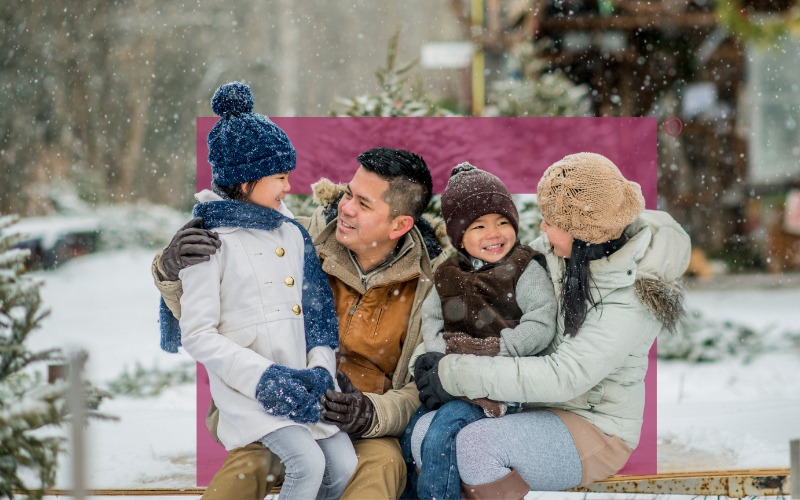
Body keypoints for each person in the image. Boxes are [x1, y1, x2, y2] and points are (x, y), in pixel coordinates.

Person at [153, 144, 451, 499]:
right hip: (276, 405)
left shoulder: (431, 286)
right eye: (348, 194)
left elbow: (421, 386)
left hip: (362, 423)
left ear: (399, 224)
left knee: (381, 467)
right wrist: (171, 271)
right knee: (252, 465)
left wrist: (371, 413)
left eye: (364, 204)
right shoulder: (293, 237)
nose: (346, 207)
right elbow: (213, 316)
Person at [413, 152, 691, 500]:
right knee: (425, 433)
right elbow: (474, 306)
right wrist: (432, 358)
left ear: (583, 233)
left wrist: (454, 374)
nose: (541, 228)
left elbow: (565, 376)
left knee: (476, 445)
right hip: (531, 407)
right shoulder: (558, 254)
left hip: (596, 427)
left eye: (550, 220)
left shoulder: (631, 297)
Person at [164, 81, 357, 500]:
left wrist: (320, 372)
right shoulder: (210, 241)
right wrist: (266, 379)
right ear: (246, 181)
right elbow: (197, 334)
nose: (289, 187)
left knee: (343, 464)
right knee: (307, 463)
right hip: (250, 391)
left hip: (305, 384)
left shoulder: (290, 232)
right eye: (280, 178)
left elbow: (319, 315)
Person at [408, 163, 558, 499]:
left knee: (442, 433)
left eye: (503, 222)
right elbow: (431, 320)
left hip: (499, 385)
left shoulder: (523, 267)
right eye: (479, 226)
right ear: (459, 236)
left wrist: (496, 348)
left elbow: (541, 321)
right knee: (410, 435)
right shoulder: (447, 272)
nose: (494, 233)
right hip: (451, 382)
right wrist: (439, 359)